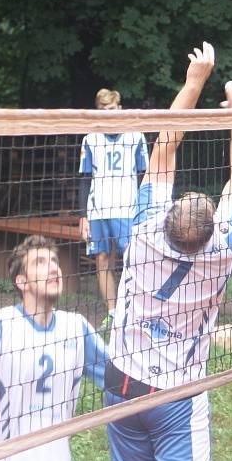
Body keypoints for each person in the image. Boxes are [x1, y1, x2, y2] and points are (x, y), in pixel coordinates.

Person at [104, 42, 232, 461]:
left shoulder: (145, 229)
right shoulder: (222, 251)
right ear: (212, 225)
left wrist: (194, 82)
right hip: (176, 393)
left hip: (122, 384)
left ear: (169, 215)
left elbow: (165, 147)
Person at [0, 235, 107, 461]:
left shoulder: (77, 327)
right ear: (22, 282)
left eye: (54, 260)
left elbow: (119, 380)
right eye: (40, 262)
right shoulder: (2, 326)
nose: (53, 267)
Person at [79, 88, 149, 329]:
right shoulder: (90, 138)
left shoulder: (135, 136)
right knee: (102, 259)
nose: (107, 114)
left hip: (128, 210)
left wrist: (146, 209)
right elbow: (84, 179)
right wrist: (83, 216)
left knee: (134, 260)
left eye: (111, 109)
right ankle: (112, 312)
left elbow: (145, 176)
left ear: (119, 108)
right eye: (102, 110)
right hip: (98, 210)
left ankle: (135, 311)